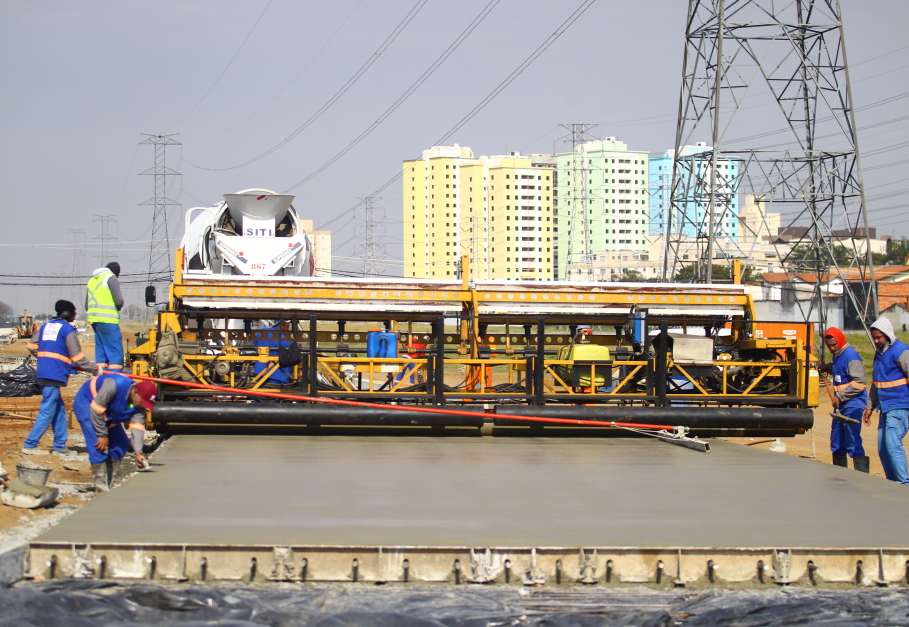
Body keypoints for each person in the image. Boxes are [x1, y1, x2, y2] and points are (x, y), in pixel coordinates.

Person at [22, 300, 100, 455]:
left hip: (44, 372)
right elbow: (77, 357)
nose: (75, 314)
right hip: (54, 374)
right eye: (74, 312)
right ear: (67, 313)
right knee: (48, 410)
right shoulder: (67, 329)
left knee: (58, 410)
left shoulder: (45, 326)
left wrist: (46, 357)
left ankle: (59, 446)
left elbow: (31, 346)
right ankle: (30, 444)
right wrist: (94, 368)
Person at [73, 372, 155, 491]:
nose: (144, 406)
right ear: (136, 392)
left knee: (121, 443)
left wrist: (138, 452)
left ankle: (109, 483)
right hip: (88, 404)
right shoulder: (115, 385)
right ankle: (100, 486)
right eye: (143, 402)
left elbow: (137, 428)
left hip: (109, 410)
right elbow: (96, 410)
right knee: (98, 445)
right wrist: (102, 434)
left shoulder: (138, 406)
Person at [863, 317, 909, 485]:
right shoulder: (879, 355)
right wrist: (870, 406)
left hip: (901, 406)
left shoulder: (901, 352)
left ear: (887, 335)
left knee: (892, 446)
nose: (876, 341)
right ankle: (892, 484)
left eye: (879, 337)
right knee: (883, 449)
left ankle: (903, 484)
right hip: (886, 407)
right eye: (874, 337)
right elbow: (876, 383)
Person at [817, 327, 869, 472]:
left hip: (853, 404)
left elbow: (859, 382)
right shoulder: (838, 355)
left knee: (852, 440)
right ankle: (840, 474)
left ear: (840, 340)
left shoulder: (851, 356)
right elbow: (840, 370)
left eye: (834, 344)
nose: (832, 348)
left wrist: (840, 396)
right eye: (829, 346)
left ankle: (861, 476)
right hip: (841, 407)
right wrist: (827, 367)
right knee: (837, 441)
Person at [85, 262, 125, 372]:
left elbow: (86, 305)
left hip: (94, 320)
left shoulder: (92, 280)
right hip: (108, 320)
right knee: (114, 350)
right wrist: (119, 307)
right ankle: (115, 378)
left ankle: (101, 376)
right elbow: (119, 301)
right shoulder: (111, 278)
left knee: (101, 350)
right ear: (116, 272)